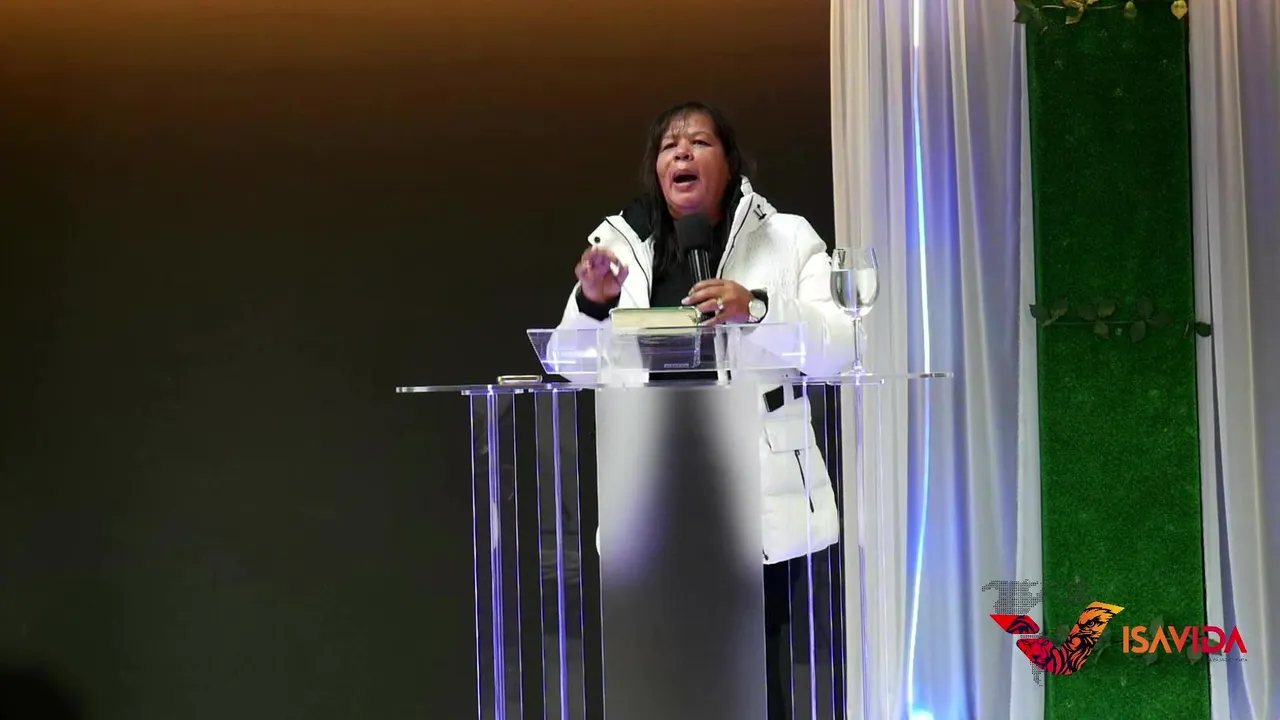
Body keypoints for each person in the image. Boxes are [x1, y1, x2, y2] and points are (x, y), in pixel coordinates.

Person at [556, 101, 855, 718]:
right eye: (669, 146)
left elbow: (842, 346)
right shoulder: (619, 246)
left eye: (698, 142)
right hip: (654, 501)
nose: (682, 153)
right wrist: (592, 304)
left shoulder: (787, 238)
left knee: (756, 682)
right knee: (662, 680)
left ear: (731, 163)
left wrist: (759, 308)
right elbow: (569, 363)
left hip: (757, 499)